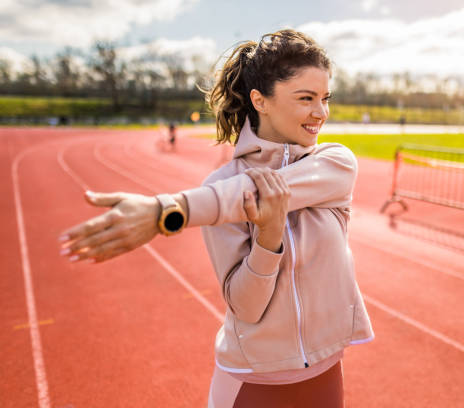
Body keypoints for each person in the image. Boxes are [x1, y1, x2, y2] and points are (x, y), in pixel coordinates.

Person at [59, 29, 374, 407]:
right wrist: (268, 238)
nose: (320, 113)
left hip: (325, 375)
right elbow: (247, 307)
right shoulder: (219, 186)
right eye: (306, 98)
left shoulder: (334, 164)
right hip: (251, 384)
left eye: (325, 99)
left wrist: (164, 211)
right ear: (261, 100)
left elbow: (257, 192)